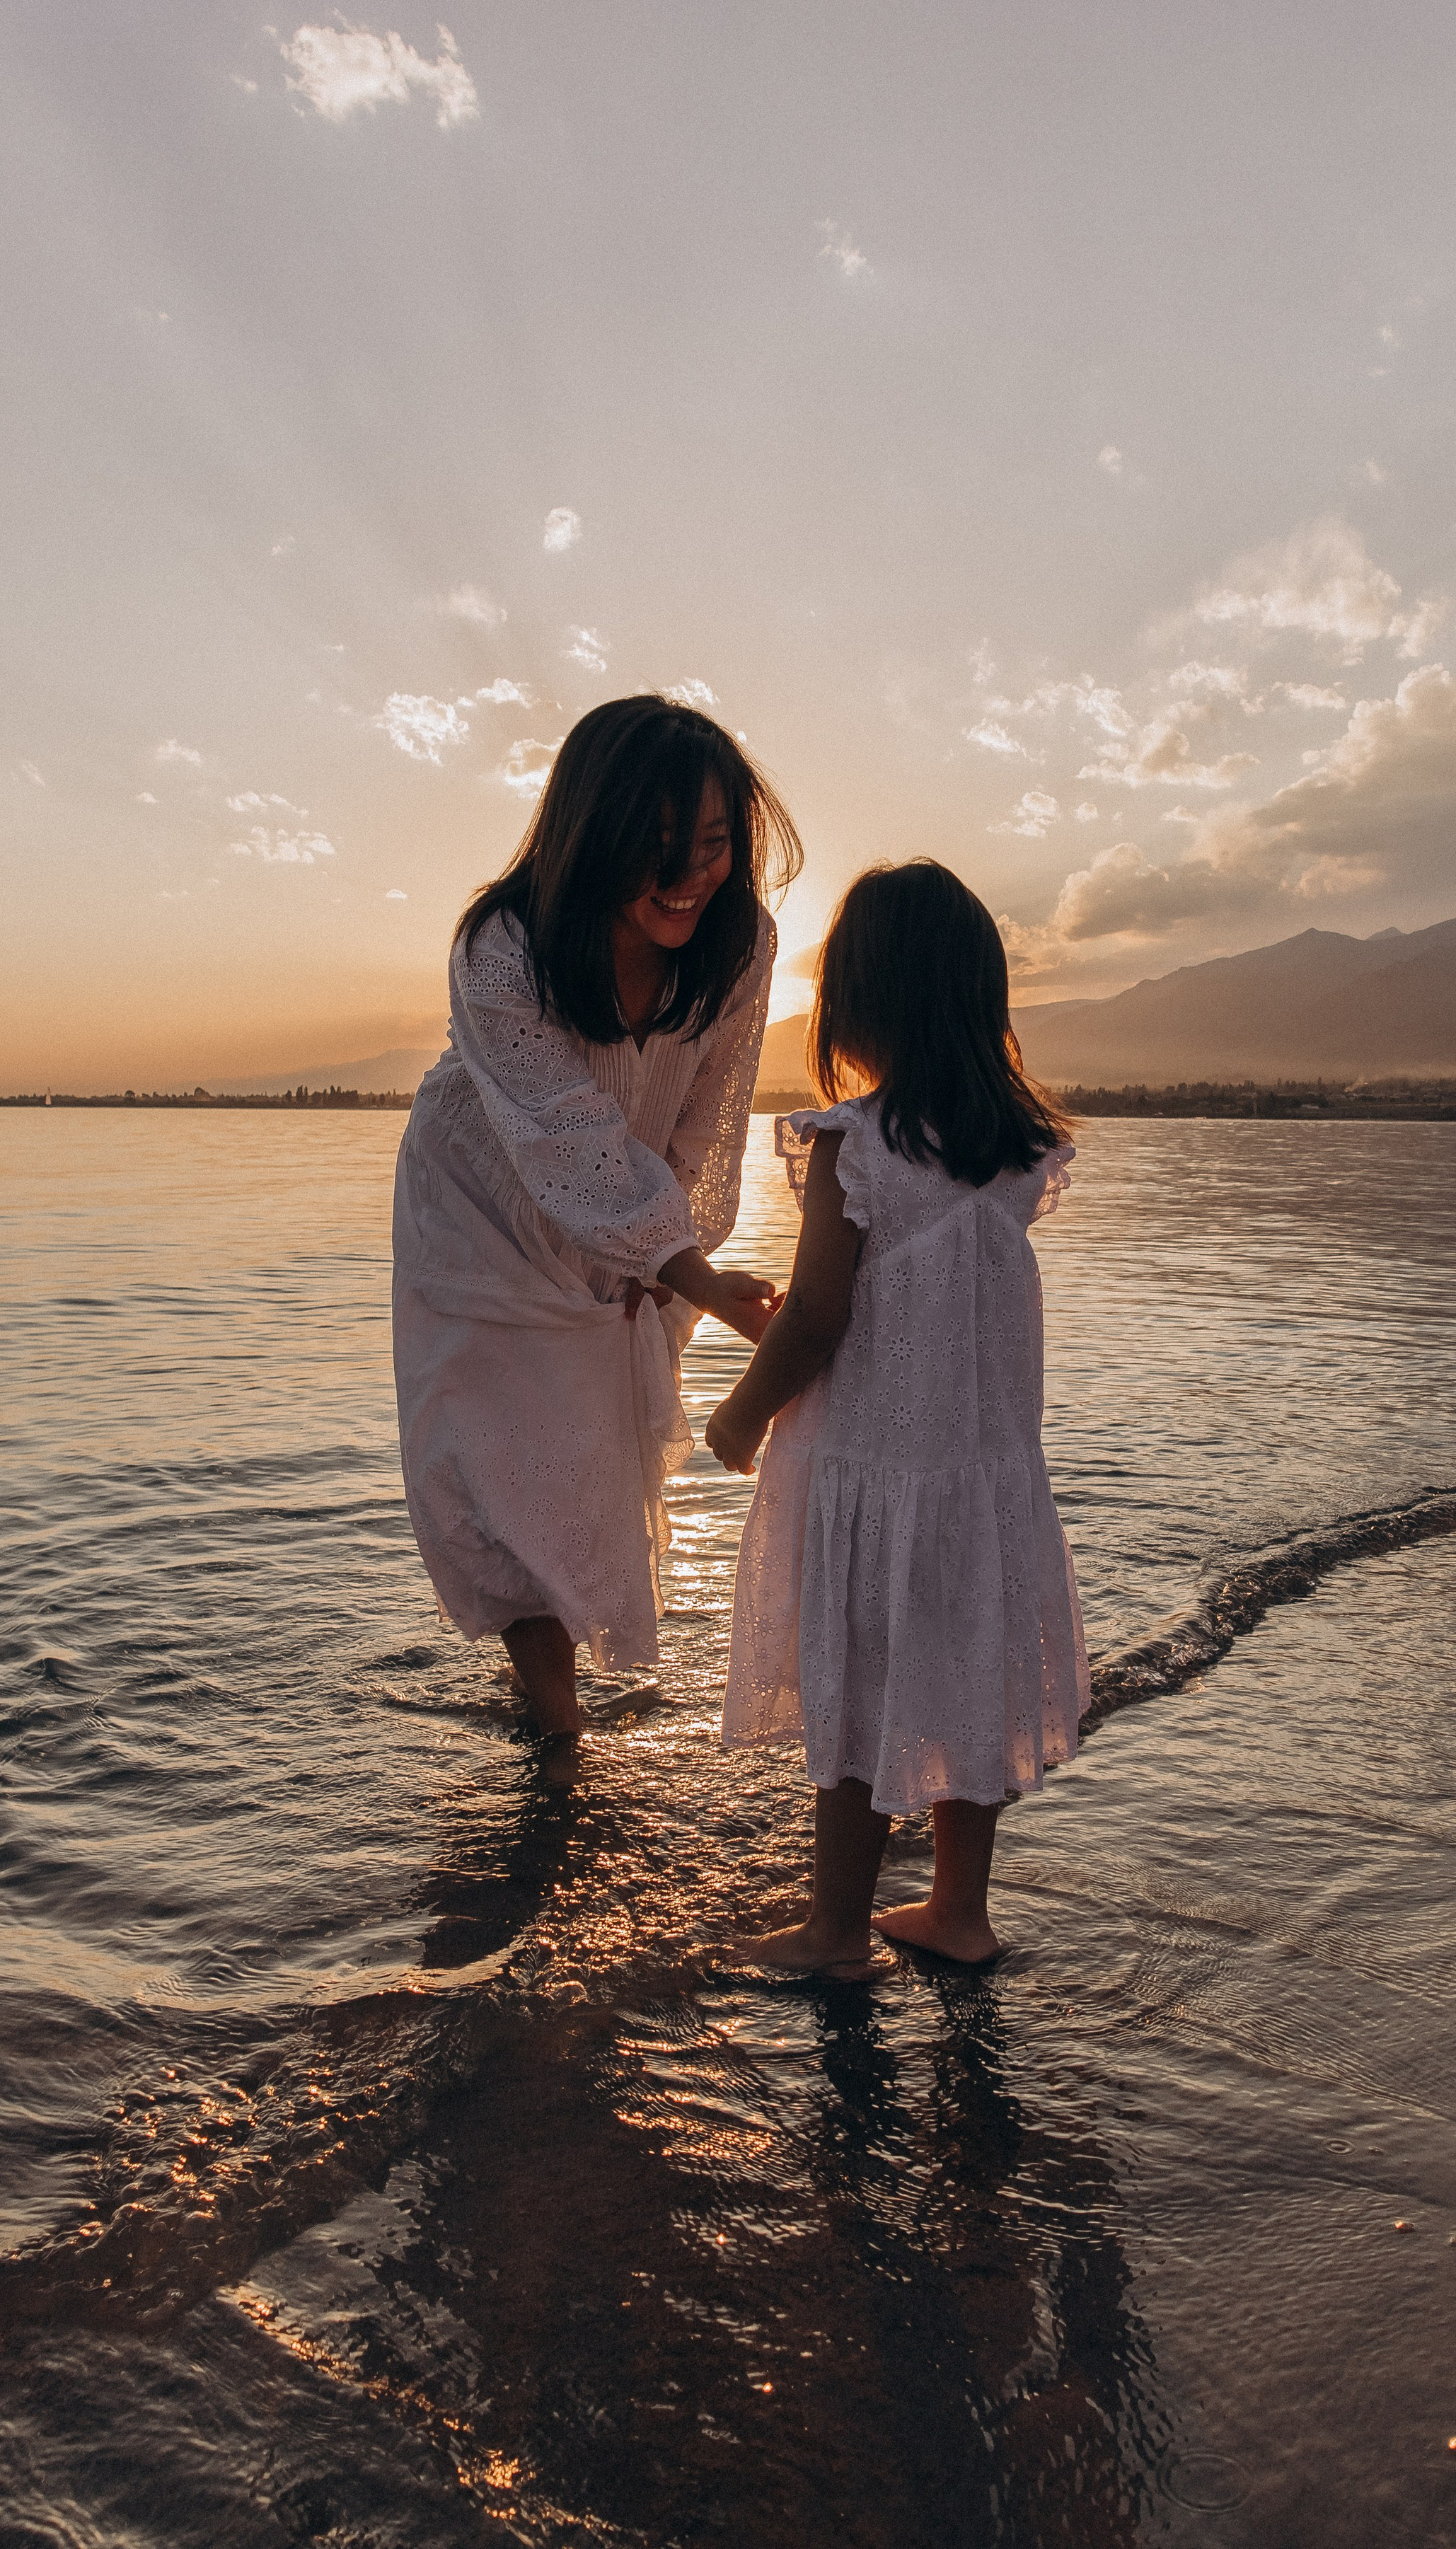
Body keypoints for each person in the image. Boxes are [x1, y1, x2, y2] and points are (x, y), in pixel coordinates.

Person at [393, 693, 801, 1766]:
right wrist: (693, 1273)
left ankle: (557, 1721)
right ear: (592, 835)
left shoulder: (742, 943)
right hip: (483, 1205)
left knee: (599, 1457)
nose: (688, 876)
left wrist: (668, 1257)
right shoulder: (502, 949)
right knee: (505, 1455)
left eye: (713, 846)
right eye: (657, 849)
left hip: (641, 1203)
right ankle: (561, 1734)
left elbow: (713, 1110)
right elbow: (563, 1133)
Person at [707, 859, 1089, 1975]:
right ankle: (958, 1914)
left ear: (860, 1002)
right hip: (980, 1476)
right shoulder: (1016, 1149)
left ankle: (834, 1931)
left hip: (876, 1459)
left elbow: (820, 1315)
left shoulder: (855, 1143)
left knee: (860, 1685)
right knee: (969, 1667)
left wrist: (737, 1416)